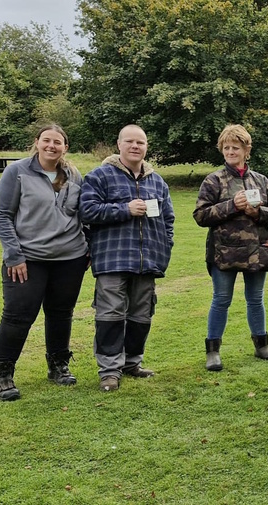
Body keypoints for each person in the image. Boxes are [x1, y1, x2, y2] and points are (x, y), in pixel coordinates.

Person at [0, 125, 88, 401]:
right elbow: (1, 213)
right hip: (27, 259)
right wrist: (14, 254)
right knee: (18, 315)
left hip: (70, 258)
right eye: (47, 141)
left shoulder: (73, 174)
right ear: (37, 143)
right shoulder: (17, 172)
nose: (52, 146)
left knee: (61, 313)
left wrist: (88, 247)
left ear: (65, 147)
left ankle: (58, 365)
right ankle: (3, 373)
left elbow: (82, 213)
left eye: (58, 142)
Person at [80, 124, 175, 392]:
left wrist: (165, 247)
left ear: (146, 147)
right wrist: (125, 209)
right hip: (112, 259)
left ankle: (132, 362)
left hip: (148, 261)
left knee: (141, 316)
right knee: (110, 315)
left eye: (141, 142)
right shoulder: (99, 177)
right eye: (130, 142)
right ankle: (109, 371)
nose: (135, 146)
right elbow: (87, 211)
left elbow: (168, 219)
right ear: (119, 145)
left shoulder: (157, 181)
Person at [194, 124, 268, 372]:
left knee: (255, 300)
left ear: (247, 150)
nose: (230, 151)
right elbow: (200, 216)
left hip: (257, 252)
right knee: (221, 300)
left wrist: (258, 212)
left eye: (236, 147)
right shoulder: (214, 181)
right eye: (226, 147)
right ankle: (213, 351)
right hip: (224, 253)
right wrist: (232, 206)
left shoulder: (262, 181)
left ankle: (262, 346)